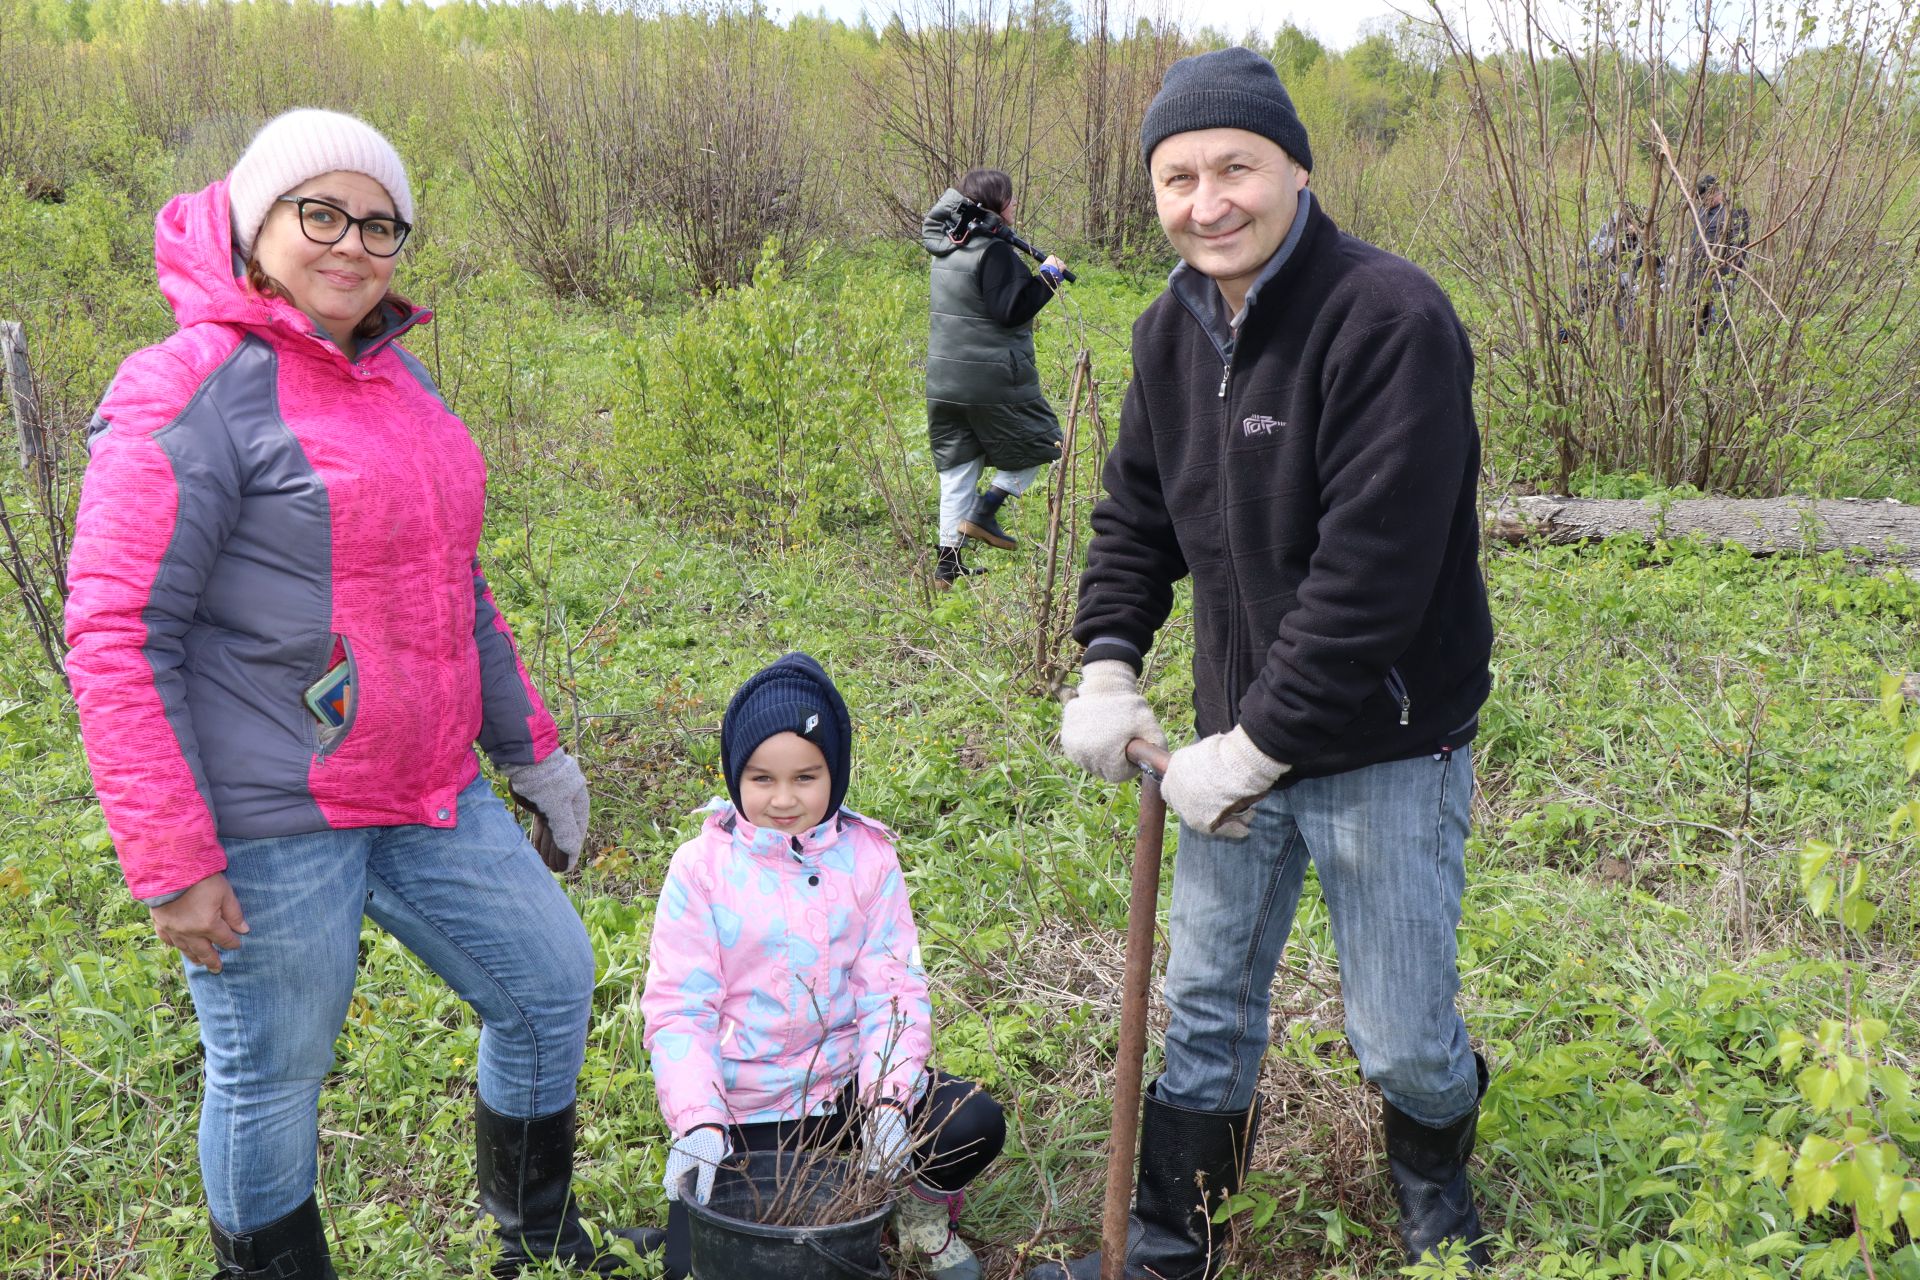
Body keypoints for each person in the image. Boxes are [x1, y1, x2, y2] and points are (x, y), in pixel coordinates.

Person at [63, 110, 654, 1279]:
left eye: (379, 223)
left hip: (429, 787)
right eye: (319, 213)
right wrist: (173, 854)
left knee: (546, 983)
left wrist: (529, 749)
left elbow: (457, 586)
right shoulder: (186, 388)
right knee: (271, 1070)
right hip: (272, 812)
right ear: (255, 220)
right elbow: (121, 631)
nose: (351, 244)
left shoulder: (399, 381)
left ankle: (536, 1239)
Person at [1033, 47, 1497, 1278]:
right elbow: (1136, 513)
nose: (1207, 200)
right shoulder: (1167, 332)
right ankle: (1172, 1240)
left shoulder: (1387, 319)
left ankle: (1439, 1196)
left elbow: (1372, 582)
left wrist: (1256, 744)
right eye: (1177, 177)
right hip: (1231, 739)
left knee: (1400, 1038)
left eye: (1235, 165)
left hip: (1384, 745)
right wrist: (1109, 661)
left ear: (1297, 165)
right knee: (1205, 1011)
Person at [641, 653, 1005, 1280]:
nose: (784, 800)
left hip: (846, 1097)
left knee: (970, 1120)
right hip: (746, 1111)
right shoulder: (700, 868)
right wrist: (700, 1119)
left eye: (805, 777)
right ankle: (731, 1169)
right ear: (734, 774)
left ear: (833, 773)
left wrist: (889, 1106)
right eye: (761, 779)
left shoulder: (868, 857)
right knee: (713, 1256)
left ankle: (916, 1212)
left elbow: (891, 992)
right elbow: (680, 1008)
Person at [919, 168, 1069, 587]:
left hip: (945, 380)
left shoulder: (948, 246)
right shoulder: (995, 251)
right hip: (990, 378)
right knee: (1045, 441)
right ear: (999, 205)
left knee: (957, 465)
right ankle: (986, 511)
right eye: (1012, 199)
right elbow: (1010, 312)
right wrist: (1049, 278)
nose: (1016, 205)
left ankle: (947, 566)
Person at [1688, 173, 1750, 333]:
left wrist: (1730, 275)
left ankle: (1720, 352)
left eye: (1704, 197)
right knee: (1697, 318)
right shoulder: (1701, 212)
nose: (1702, 202)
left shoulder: (1733, 211)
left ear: (1714, 192)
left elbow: (1739, 246)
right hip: (1699, 275)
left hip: (1720, 275)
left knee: (1720, 320)